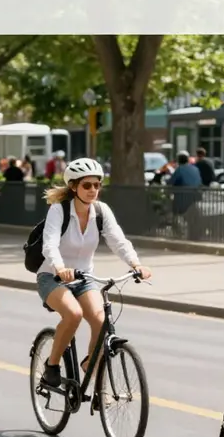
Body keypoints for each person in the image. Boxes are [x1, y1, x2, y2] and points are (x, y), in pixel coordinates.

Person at [36, 157, 152, 389]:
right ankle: (52, 366)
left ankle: (92, 368)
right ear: (73, 187)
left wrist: (135, 264)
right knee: (73, 314)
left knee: (102, 322)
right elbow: (49, 245)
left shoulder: (101, 211)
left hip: (85, 278)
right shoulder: (59, 210)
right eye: (87, 185)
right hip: (52, 276)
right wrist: (60, 268)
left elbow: (118, 240)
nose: (93, 190)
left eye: (97, 185)